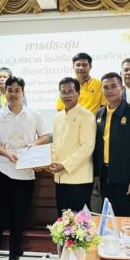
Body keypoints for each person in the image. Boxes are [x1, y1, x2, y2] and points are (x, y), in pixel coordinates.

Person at [0, 76, 50, 260]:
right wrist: (6, 153)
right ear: (5, 92)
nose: (13, 94)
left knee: (19, 216)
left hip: (24, 173)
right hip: (0, 170)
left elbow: (45, 135)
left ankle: (14, 255)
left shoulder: (34, 115)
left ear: (23, 93)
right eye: (10, 90)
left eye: (17, 90)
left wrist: (34, 144)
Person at [93, 72, 130, 217]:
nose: (109, 90)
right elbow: (98, 146)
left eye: (113, 86)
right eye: (105, 87)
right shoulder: (100, 114)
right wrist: (97, 174)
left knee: (129, 220)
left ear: (122, 88)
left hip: (127, 178)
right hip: (106, 176)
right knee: (110, 219)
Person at [49, 77, 96, 213]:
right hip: (60, 178)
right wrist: (49, 161)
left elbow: (87, 147)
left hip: (79, 178)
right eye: (63, 92)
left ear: (78, 93)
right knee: (63, 219)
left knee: (80, 221)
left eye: (70, 91)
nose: (66, 95)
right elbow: (56, 144)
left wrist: (64, 165)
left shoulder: (87, 116)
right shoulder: (58, 117)